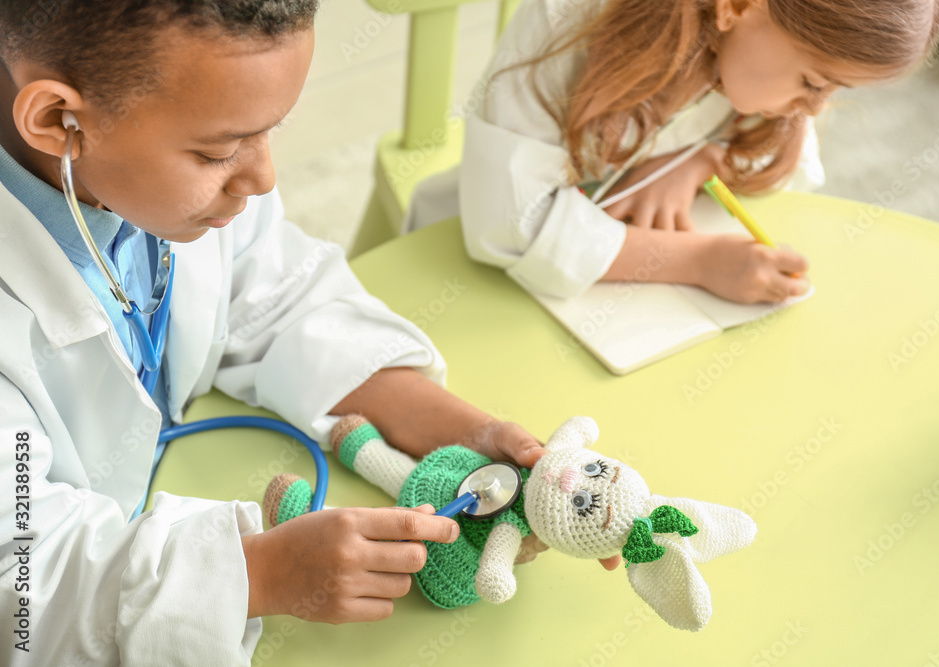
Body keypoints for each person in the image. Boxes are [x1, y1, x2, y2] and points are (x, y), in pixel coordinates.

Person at [0, 2, 616, 664]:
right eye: (220, 150)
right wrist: (261, 574)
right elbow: (23, 587)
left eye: (268, 133)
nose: (262, 177)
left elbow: (278, 295)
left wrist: (467, 430)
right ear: (56, 120)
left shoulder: (150, 179)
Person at [447, 0, 939, 303]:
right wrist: (701, 262)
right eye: (813, 82)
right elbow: (506, 223)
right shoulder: (569, 17)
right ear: (738, 6)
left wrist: (699, 159)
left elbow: (790, 170)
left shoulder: (755, 52)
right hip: (464, 265)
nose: (816, 108)